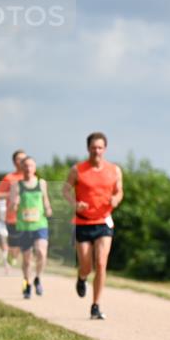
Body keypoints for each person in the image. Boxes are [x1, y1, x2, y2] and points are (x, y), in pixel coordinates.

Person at [63, 131, 123, 319]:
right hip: (83, 221)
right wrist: (75, 203)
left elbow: (120, 192)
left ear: (105, 149)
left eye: (100, 147)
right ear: (88, 148)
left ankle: (95, 305)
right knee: (86, 266)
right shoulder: (78, 170)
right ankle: (82, 278)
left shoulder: (114, 170)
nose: (97, 151)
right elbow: (65, 189)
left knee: (101, 263)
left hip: (104, 221)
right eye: (93, 147)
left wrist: (116, 199)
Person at [10, 157, 52, 299]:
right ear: (22, 168)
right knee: (27, 260)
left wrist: (48, 209)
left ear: (35, 168)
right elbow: (12, 206)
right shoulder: (17, 185)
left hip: (40, 224)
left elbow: (45, 199)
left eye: (31, 166)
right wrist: (15, 203)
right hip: (24, 226)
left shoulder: (41, 183)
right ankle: (26, 284)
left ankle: (38, 278)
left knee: (41, 252)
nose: (28, 169)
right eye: (26, 166)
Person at [0, 149, 27, 273]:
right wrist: (10, 194)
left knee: (24, 247)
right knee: (14, 248)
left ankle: (25, 271)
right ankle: (10, 258)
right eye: (19, 159)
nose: (23, 161)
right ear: (14, 162)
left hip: (28, 218)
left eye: (25, 158)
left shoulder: (31, 177)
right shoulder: (9, 177)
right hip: (12, 217)